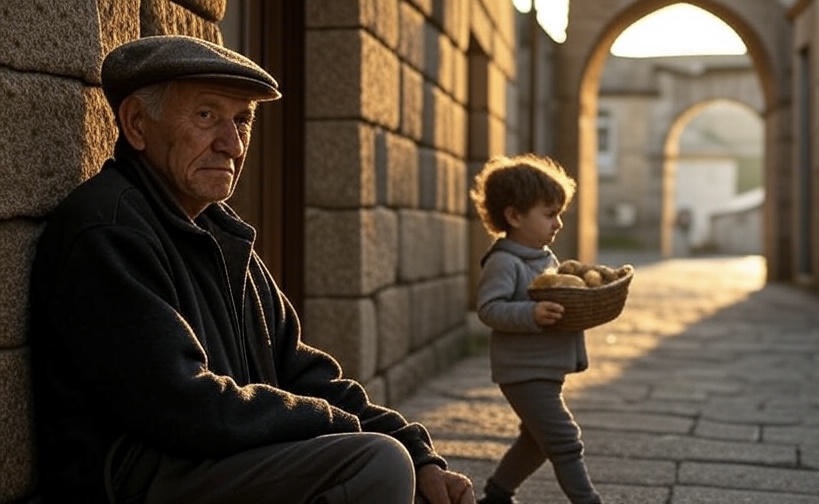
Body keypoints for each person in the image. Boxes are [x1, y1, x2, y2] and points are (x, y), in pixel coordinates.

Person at [28, 34, 474, 504]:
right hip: (139, 481)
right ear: (137, 124)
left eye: (242, 121)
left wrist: (417, 451)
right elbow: (185, 407)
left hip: (215, 459)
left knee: (407, 473)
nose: (232, 145)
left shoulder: (220, 233)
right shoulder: (108, 229)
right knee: (377, 464)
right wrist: (347, 429)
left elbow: (301, 372)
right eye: (206, 116)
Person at [469, 154, 602, 504]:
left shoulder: (545, 258)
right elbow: (489, 309)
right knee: (564, 438)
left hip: (546, 368)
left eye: (559, 213)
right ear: (514, 216)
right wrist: (532, 313)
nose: (558, 223)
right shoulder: (504, 262)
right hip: (522, 370)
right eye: (549, 214)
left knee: (535, 440)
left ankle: (497, 495)